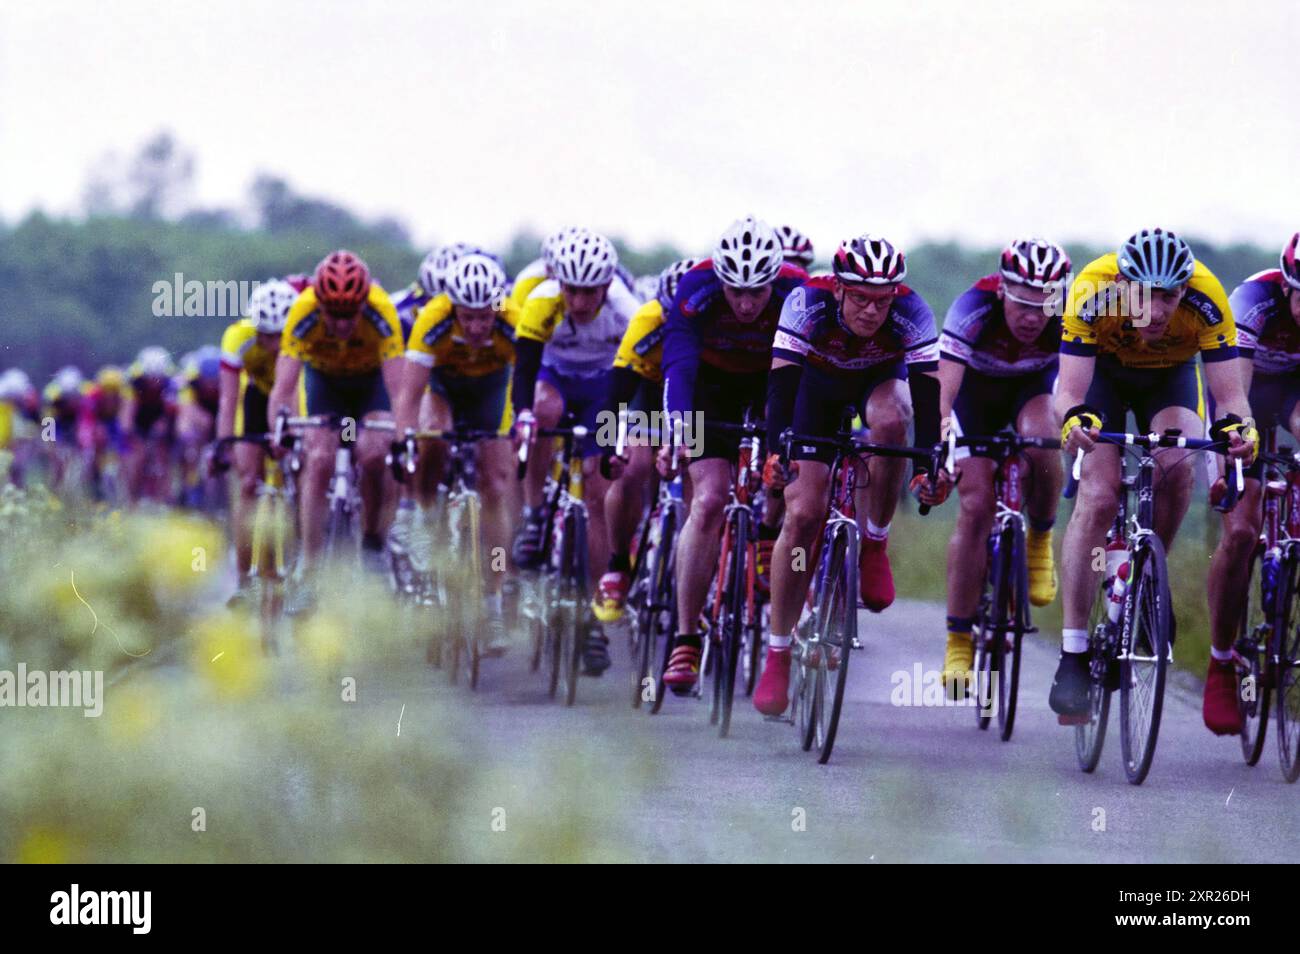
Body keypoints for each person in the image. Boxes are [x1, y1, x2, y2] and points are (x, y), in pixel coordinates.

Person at [1051, 228, 1256, 719]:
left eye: (1169, 296)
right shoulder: (1091, 291)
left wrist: (1242, 433)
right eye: (1146, 294)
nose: (1158, 309)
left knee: (1176, 467)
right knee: (1098, 498)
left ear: (1185, 289)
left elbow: (1230, 399)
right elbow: (1068, 392)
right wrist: (1074, 421)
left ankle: (1146, 580)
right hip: (1101, 376)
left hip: (1169, 379)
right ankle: (1074, 652)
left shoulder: (1208, 299)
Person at [752, 233, 943, 715]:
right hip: (810, 394)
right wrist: (778, 452)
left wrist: (927, 464)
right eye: (861, 298)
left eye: (882, 301)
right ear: (838, 288)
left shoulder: (913, 312)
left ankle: (874, 542)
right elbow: (780, 385)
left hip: (875, 385)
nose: (872, 312)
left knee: (893, 420)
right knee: (803, 517)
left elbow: (924, 394)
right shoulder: (805, 303)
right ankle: (777, 652)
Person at [658, 215, 808, 693]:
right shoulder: (696, 286)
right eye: (736, 291)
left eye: (756, 293)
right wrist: (678, 429)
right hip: (710, 390)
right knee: (707, 500)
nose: (745, 304)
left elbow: (809, 370)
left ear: (773, 282)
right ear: (721, 279)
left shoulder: (797, 291)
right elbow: (678, 366)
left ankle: (768, 530)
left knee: (787, 469)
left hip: (773, 385)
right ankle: (685, 638)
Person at [936, 238, 1070, 693]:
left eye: (1043, 305)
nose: (1033, 316)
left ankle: (1039, 539)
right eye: (1023, 304)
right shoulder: (971, 308)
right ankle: (958, 642)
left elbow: (1081, 385)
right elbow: (944, 390)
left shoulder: (1069, 316)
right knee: (976, 507)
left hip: (1030, 392)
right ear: (1002, 292)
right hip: (974, 400)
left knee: (1047, 437)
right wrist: (938, 438)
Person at [510, 230, 638, 673]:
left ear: (606, 286)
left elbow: (638, 379)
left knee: (600, 492)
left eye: (590, 292)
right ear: (558, 283)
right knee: (540, 412)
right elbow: (524, 370)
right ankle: (534, 513)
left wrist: (619, 438)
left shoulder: (626, 309)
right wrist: (522, 416)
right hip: (556, 379)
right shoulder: (542, 302)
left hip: (607, 387)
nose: (580, 302)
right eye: (571, 290)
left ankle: (594, 619)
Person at [391, 253, 519, 652]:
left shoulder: (513, 317)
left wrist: (517, 432)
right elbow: (410, 394)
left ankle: (493, 603)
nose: (478, 326)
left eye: (485, 316)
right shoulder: (433, 318)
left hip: (492, 392)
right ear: (454, 308)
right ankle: (427, 515)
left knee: (496, 487)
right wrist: (402, 441)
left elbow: (526, 385)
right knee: (433, 436)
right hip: (445, 390)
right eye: (469, 317)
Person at [1203, 232, 1300, 734]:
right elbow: (1231, 396)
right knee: (1241, 531)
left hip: (1295, 392)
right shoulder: (1252, 303)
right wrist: (1229, 467)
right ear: (1287, 287)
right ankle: (1221, 662)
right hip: (1246, 394)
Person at [268, 250, 405, 577]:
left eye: (351, 315)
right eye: (333, 315)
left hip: (370, 385)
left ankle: (372, 541)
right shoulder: (303, 311)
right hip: (326, 384)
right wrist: (279, 431)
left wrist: (400, 436)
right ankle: (310, 564)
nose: (342, 324)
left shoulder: (382, 309)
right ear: (320, 304)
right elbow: (284, 385)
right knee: (318, 458)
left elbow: (398, 388)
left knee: (373, 454)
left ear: (363, 304)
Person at [594, 257, 700, 622]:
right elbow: (617, 387)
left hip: (694, 397)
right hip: (649, 392)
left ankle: (695, 584)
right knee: (633, 468)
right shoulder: (645, 321)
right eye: (670, 319)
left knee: (696, 484)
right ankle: (618, 565)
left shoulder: (715, 324)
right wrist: (608, 445)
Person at [219, 278, 296, 603]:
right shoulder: (237, 337)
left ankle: (298, 567)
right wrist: (224, 444)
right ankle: (243, 579)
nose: (274, 343)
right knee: (248, 482)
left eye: (280, 336)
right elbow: (228, 399)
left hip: (293, 398)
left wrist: (294, 437)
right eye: (266, 335)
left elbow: (301, 393)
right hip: (255, 399)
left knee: (300, 475)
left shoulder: (302, 340)